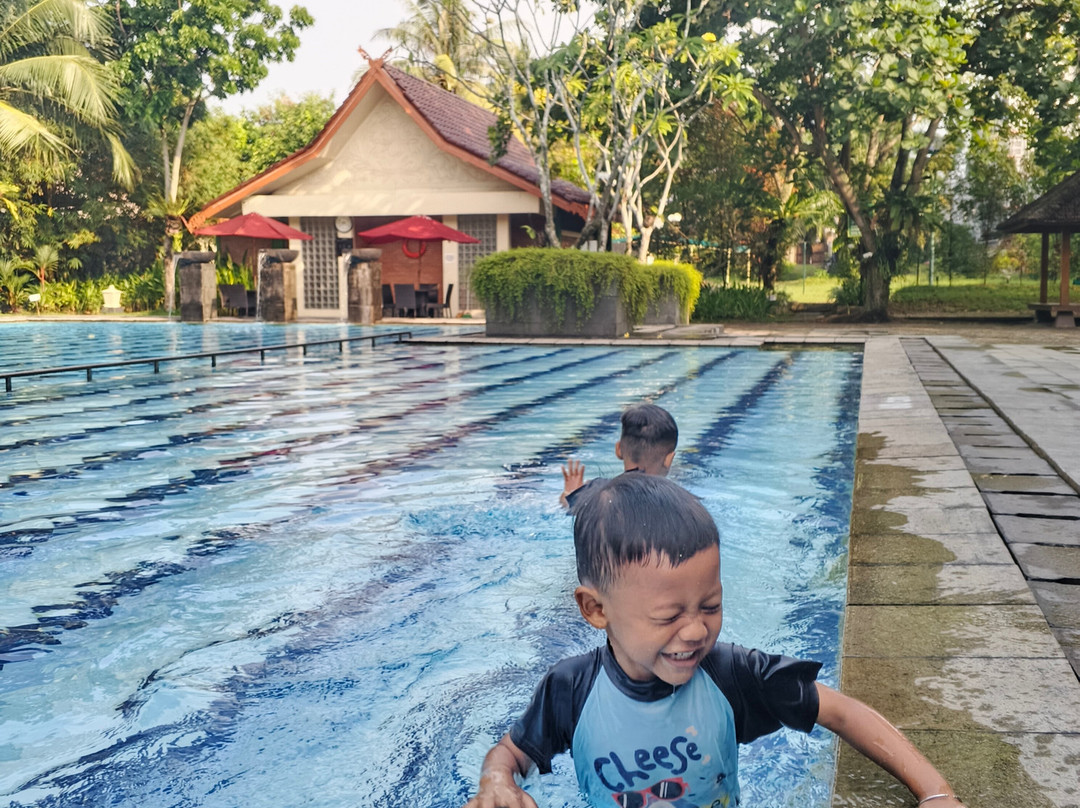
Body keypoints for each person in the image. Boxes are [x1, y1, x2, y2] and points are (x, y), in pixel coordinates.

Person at [465, 475, 965, 808]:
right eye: (668, 616)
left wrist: (935, 792)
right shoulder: (571, 689)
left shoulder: (730, 676)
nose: (695, 630)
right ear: (596, 610)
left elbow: (841, 711)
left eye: (710, 605)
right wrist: (497, 781)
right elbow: (511, 753)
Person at [560, 403, 678, 511]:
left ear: (618, 450)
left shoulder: (597, 490)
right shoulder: (677, 501)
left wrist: (571, 494)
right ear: (669, 460)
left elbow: (568, 506)